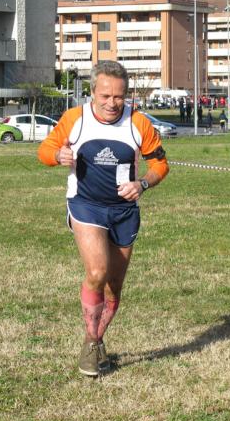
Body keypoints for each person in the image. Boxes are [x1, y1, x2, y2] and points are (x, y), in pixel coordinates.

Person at [37, 61, 169, 377]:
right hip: (86, 205)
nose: (112, 103)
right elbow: (45, 150)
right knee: (97, 271)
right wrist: (58, 156)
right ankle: (92, 347)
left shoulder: (139, 124)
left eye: (119, 97)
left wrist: (143, 184)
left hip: (123, 212)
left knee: (113, 288)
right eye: (105, 96)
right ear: (93, 92)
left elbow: (160, 165)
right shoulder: (75, 119)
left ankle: (92, 340)